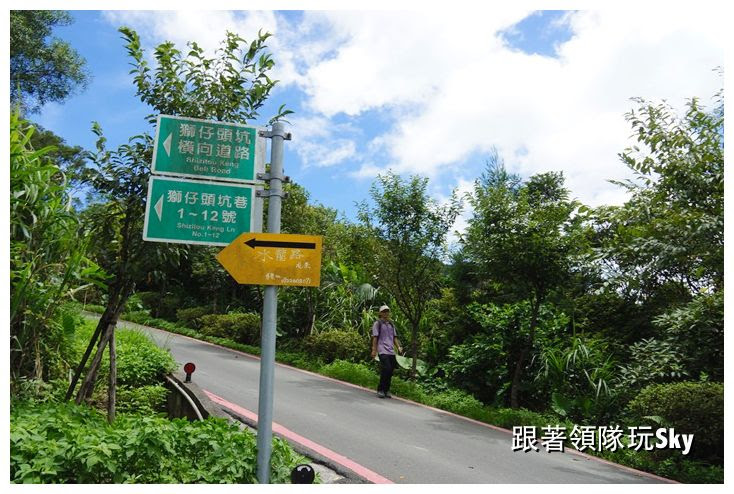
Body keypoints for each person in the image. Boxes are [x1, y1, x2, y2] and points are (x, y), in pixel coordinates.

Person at [371, 305, 403, 398]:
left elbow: (394, 338)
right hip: (382, 350)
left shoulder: (391, 324)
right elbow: (375, 338)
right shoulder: (377, 323)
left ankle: (387, 390)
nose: (386, 313)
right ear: (380, 313)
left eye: (387, 311)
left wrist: (399, 347)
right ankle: (380, 389)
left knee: (390, 370)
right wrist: (374, 350)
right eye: (384, 311)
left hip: (391, 351)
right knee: (386, 369)